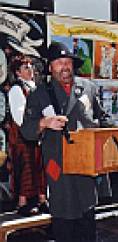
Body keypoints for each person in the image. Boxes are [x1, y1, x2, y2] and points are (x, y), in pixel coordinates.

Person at [20, 42, 110, 242]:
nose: (65, 66)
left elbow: (103, 119)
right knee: (64, 222)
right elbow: (26, 131)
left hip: (86, 166)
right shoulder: (40, 93)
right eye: (59, 62)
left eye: (67, 61)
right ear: (50, 67)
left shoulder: (89, 88)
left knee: (87, 221)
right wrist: (44, 122)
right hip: (58, 166)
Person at [7, 54, 48, 216]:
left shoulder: (34, 87)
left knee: (39, 167)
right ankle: (22, 203)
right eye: (26, 67)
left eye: (31, 66)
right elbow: (19, 117)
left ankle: (42, 200)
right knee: (26, 168)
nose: (30, 69)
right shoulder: (17, 89)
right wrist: (35, 126)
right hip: (22, 136)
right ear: (18, 72)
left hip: (35, 133)